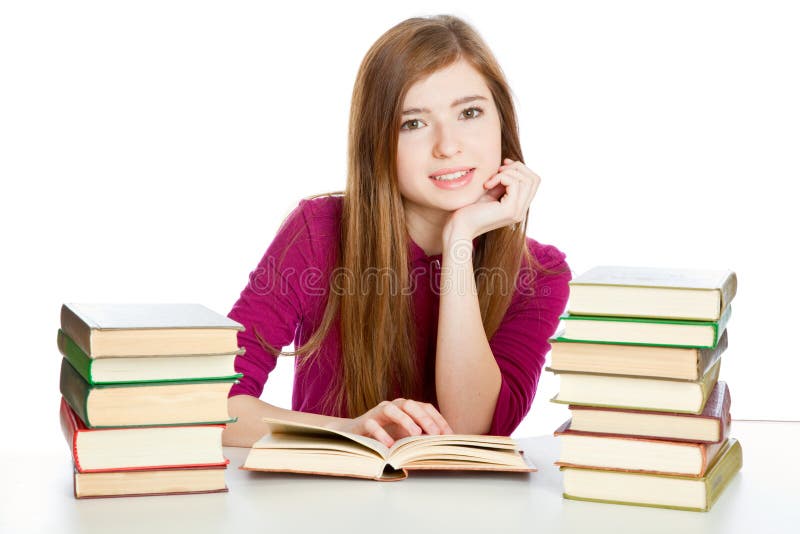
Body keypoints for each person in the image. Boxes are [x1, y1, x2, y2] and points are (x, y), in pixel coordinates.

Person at [222, 14, 571, 448]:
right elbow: (217, 401)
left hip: (466, 515)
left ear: (503, 122)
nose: (447, 145)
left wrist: (459, 239)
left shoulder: (541, 273)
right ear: (378, 143)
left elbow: (469, 429)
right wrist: (348, 433)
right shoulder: (318, 232)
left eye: (470, 112)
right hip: (326, 508)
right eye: (414, 123)